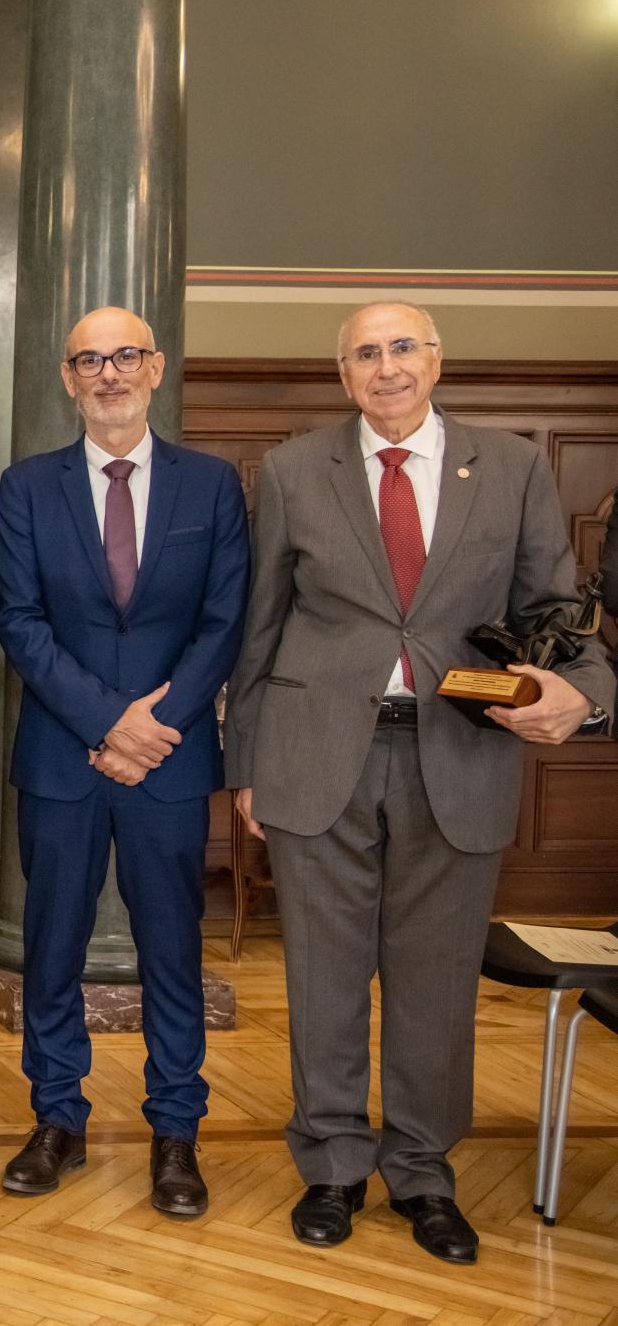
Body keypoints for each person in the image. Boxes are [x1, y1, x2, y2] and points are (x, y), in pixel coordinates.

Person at [229, 302, 613, 1264]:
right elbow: (259, 626)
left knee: (435, 982)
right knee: (321, 976)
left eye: (403, 347)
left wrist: (587, 693)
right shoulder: (290, 469)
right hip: (318, 759)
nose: (386, 367)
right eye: (366, 353)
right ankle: (329, 1165)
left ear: (436, 360)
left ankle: (421, 1172)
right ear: (342, 374)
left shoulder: (515, 466)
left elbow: (559, 612)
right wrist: (246, 768)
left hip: (459, 752)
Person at [0, 307, 249, 1216]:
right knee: (52, 948)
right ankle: (55, 1116)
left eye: (124, 357)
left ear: (156, 368)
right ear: (67, 378)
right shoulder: (26, 487)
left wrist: (156, 726)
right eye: (89, 360)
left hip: (170, 765)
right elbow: (17, 621)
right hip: (63, 760)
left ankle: (175, 1130)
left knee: (171, 952)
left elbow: (225, 621)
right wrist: (107, 725)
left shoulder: (211, 486)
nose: (108, 374)